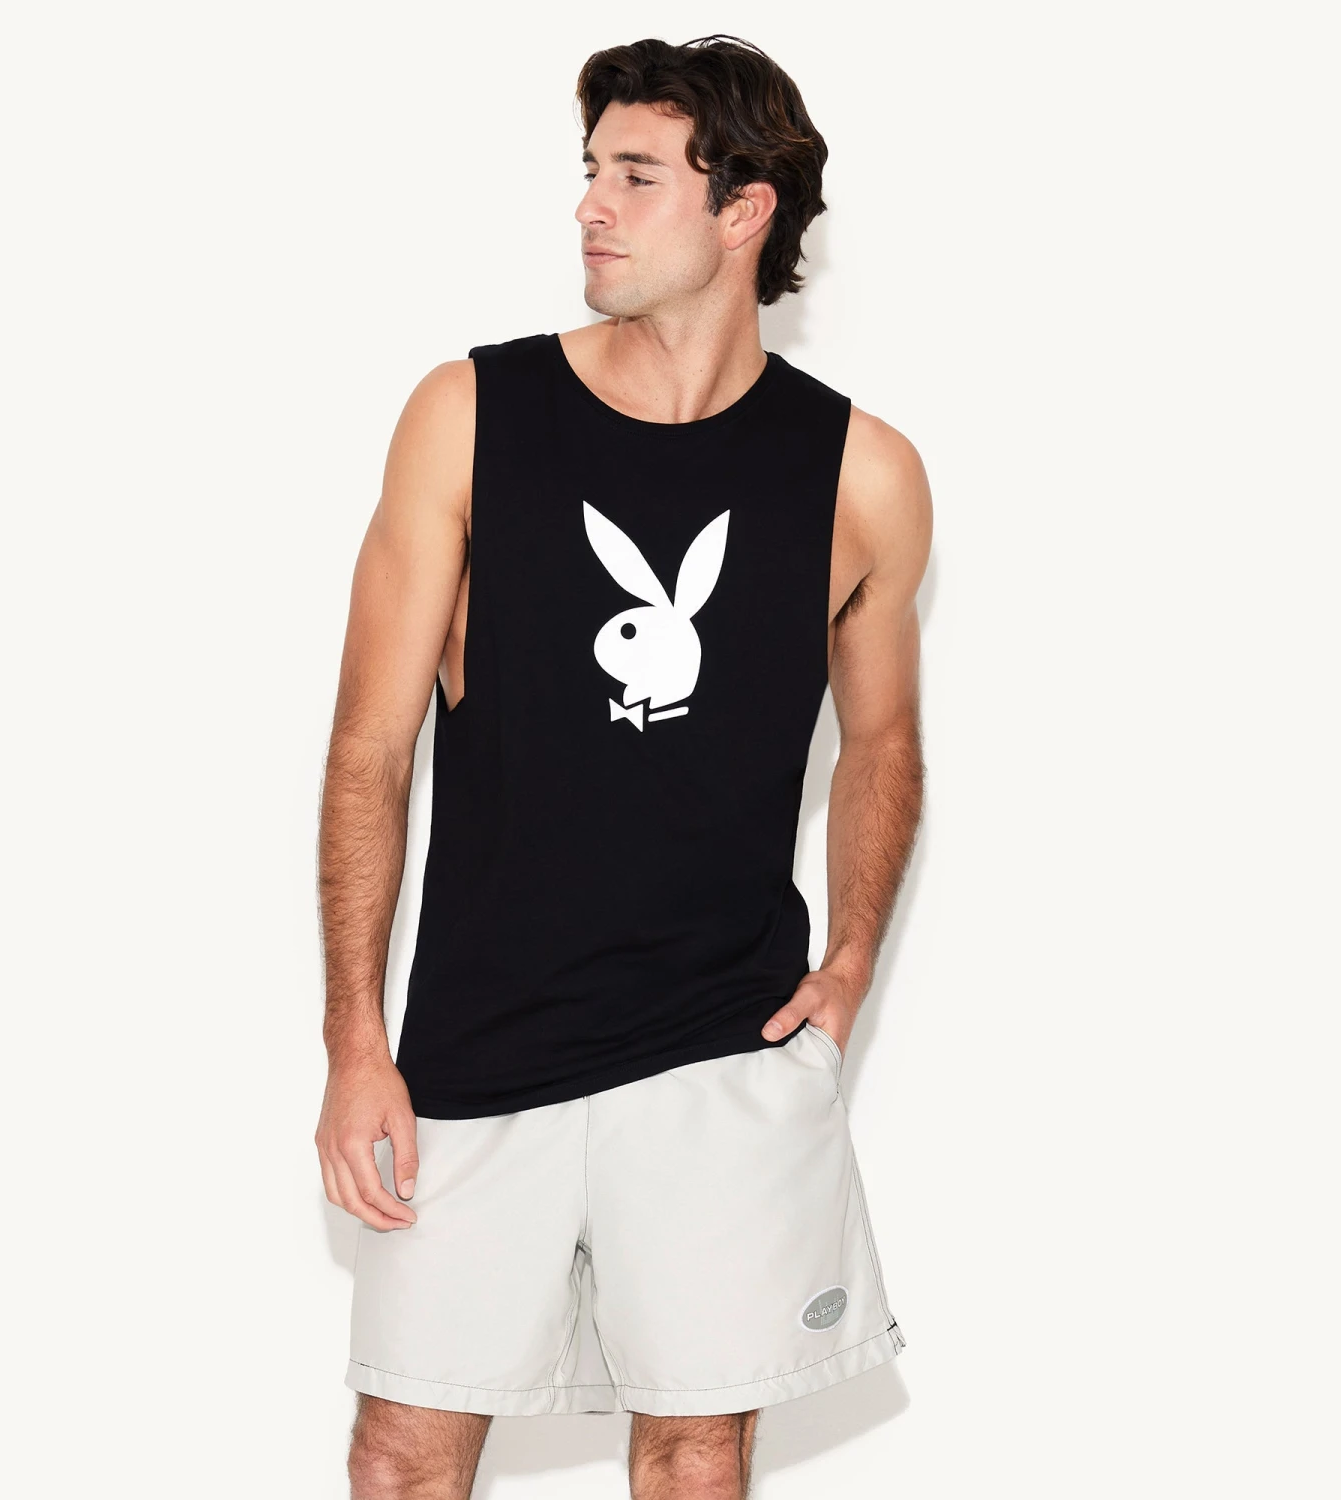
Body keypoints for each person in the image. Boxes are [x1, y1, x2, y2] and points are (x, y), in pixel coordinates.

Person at [315, 33, 932, 1500]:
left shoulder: (861, 472)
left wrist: (849, 962)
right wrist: (354, 1041)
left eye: (637, 176)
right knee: (403, 1453)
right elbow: (369, 749)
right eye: (591, 169)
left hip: (727, 1048)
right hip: (480, 1042)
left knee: (700, 1455)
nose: (591, 204)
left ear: (745, 209)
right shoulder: (471, 416)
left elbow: (886, 741)